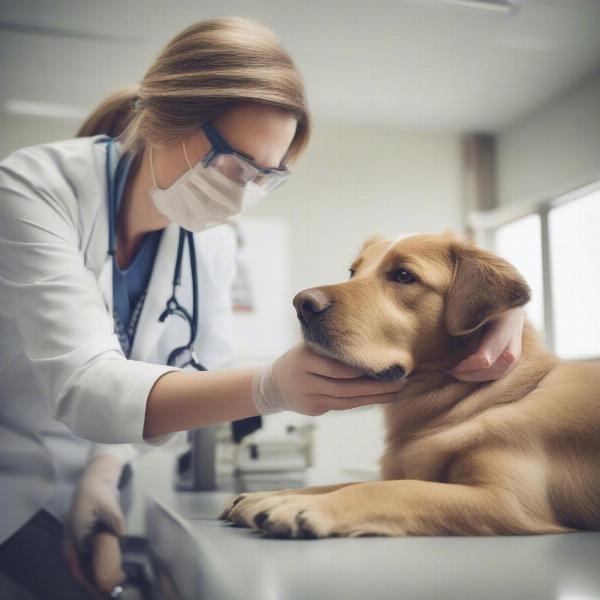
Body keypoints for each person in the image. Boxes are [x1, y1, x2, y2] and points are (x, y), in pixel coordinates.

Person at [0, 16, 525, 599]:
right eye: (231, 159)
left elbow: (183, 382)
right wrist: (269, 388)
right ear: (161, 116)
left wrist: (102, 472)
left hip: (92, 493)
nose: (240, 190)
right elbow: (86, 386)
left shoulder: (210, 240)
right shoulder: (33, 188)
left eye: (264, 176)